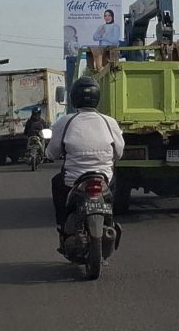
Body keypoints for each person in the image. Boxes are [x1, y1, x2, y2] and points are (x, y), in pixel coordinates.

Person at [47, 76, 125, 236]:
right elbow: (119, 152)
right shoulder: (109, 122)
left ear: (74, 98)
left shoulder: (65, 121)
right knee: (115, 184)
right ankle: (110, 219)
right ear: (97, 98)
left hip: (72, 181)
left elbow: (52, 153)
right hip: (104, 179)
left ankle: (62, 225)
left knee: (56, 182)